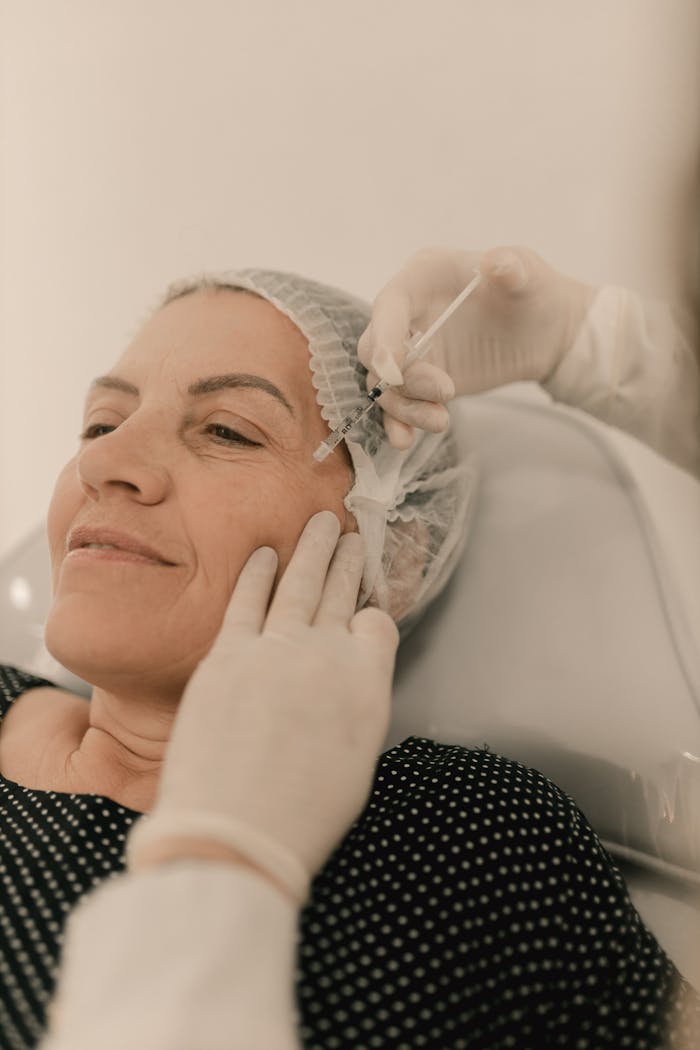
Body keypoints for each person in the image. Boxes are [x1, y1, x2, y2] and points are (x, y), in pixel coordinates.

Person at [0, 252, 692, 1049]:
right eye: (100, 423)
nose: (103, 462)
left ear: (389, 555)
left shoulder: (470, 846)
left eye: (227, 430)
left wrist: (601, 345)